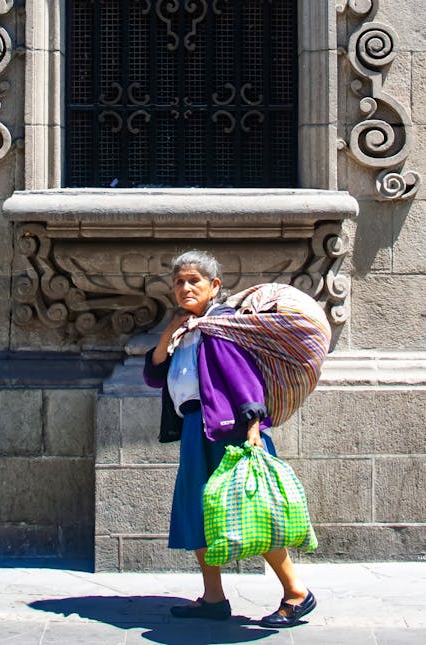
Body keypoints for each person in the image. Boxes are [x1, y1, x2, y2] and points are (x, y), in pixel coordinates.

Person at [143, 249, 316, 628]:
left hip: (230, 431)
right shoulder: (185, 328)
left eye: (194, 281)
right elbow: (154, 375)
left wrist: (254, 427)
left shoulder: (221, 327)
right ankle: (213, 598)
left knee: (255, 512)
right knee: (200, 513)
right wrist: (169, 333)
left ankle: (296, 592)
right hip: (194, 428)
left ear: (214, 286)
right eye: (179, 282)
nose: (185, 287)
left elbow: (244, 380)